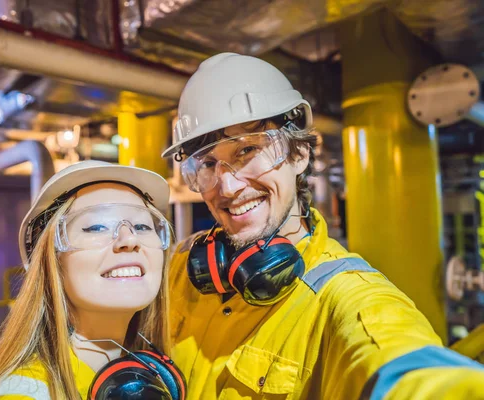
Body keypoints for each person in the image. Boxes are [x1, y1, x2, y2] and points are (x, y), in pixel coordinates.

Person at [162, 52, 484, 400]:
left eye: (247, 151)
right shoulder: (182, 267)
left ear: (299, 154)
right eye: (208, 163)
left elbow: (408, 369)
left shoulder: (347, 300)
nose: (227, 187)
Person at [0, 160, 185, 400]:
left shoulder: (139, 374)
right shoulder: (21, 395)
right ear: (52, 259)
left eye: (143, 226)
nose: (129, 239)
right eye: (97, 227)